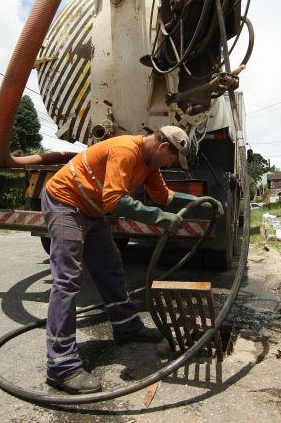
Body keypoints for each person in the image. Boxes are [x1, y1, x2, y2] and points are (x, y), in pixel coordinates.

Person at [40, 125, 200, 394]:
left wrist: (199, 200)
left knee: (110, 265)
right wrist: (161, 219)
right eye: (173, 158)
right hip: (65, 202)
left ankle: (126, 328)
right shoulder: (126, 149)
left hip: (90, 209)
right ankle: (61, 365)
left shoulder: (150, 164)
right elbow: (114, 200)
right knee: (67, 281)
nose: (172, 163)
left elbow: (164, 197)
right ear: (162, 147)